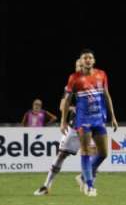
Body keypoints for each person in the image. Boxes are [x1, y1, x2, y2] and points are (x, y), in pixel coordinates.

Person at [34, 58, 96, 196]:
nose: (80, 68)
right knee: (62, 154)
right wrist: (72, 110)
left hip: (91, 125)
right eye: (77, 66)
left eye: (81, 66)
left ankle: (85, 181)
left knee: (97, 153)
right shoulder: (71, 85)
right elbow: (62, 106)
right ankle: (46, 186)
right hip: (75, 126)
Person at [61, 49, 118, 197]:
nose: (87, 60)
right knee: (85, 151)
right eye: (85, 58)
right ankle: (89, 185)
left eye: (90, 57)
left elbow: (107, 95)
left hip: (99, 119)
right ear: (81, 61)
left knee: (103, 153)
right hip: (83, 120)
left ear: (94, 60)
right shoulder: (74, 78)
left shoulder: (101, 74)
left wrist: (113, 117)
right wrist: (63, 121)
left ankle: (83, 177)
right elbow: (67, 101)